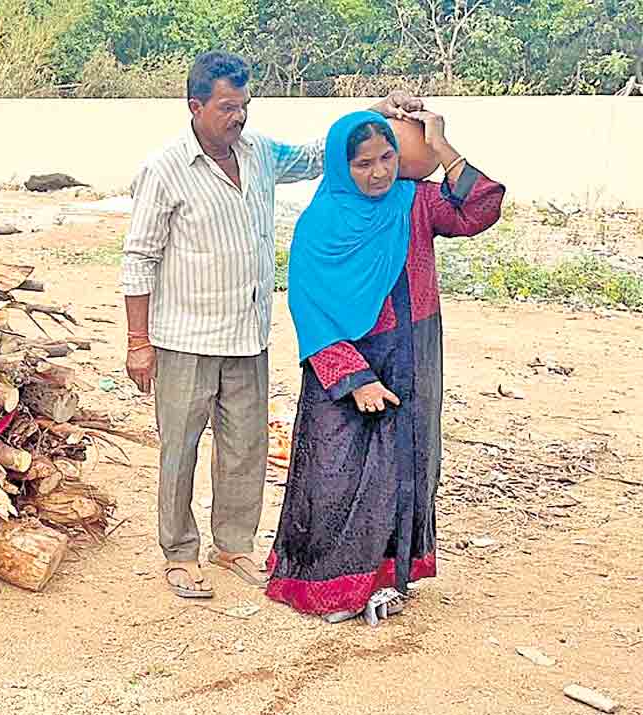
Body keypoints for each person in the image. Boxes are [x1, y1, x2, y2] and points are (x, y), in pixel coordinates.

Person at [120, 49, 423, 598]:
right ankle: (179, 552)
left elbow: (317, 155)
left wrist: (375, 109)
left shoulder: (259, 153)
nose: (239, 118)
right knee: (179, 449)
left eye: (245, 106)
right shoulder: (165, 168)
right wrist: (138, 342)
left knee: (246, 447)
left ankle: (233, 543)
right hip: (184, 337)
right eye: (228, 108)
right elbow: (138, 258)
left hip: (246, 334)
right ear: (196, 107)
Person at [265, 109, 505, 623]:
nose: (378, 173)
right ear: (339, 165)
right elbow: (309, 305)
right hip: (346, 366)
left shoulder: (413, 204)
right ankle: (329, 585)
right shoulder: (320, 224)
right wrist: (354, 378)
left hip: (413, 355)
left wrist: (442, 146)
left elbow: (481, 206)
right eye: (363, 163)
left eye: (387, 158)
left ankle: (388, 578)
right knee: (337, 475)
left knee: (406, 468)